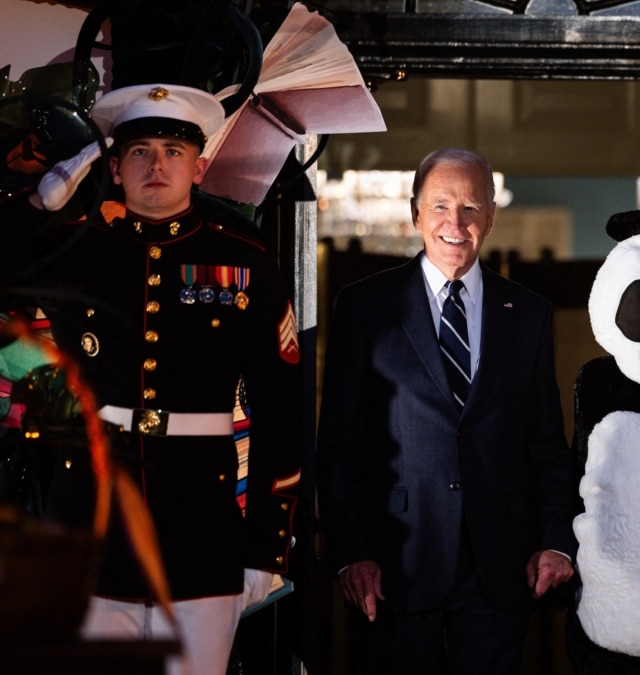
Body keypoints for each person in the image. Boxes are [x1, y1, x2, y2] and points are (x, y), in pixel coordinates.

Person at [18, 83, 303, 675]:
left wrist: (266, 546)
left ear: (199, 169)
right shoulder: (76, 248)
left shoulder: (245, 258)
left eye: (174, 153)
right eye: (140, 152)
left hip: (203, 527)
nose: (157, 165)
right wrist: (41, 204)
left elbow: (282, 407)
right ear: (115, 168)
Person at [316, 147, 578, 674]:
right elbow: (340, 443)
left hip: (500, 565)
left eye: (471, 207)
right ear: (415, 214)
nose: (455, 223)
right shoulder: (366, 307)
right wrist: (351, 551)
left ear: (491, 216)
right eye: (440, 206)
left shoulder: (528, 313)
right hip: (394, 563)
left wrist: (556, 542)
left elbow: (546, 443)